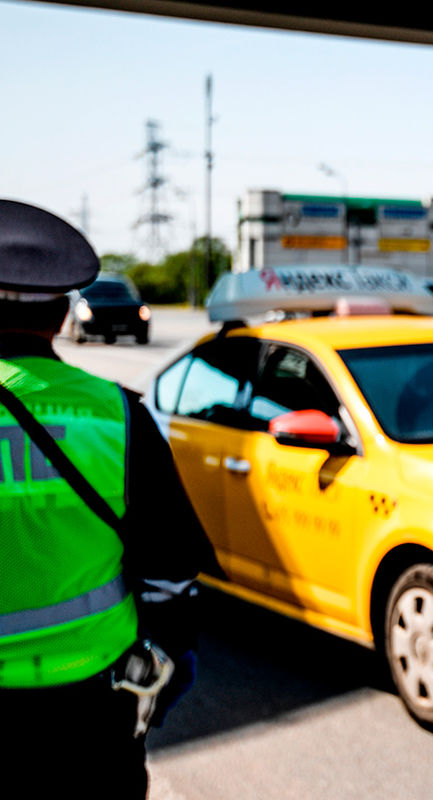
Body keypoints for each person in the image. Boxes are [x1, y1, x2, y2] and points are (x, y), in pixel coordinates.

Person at [0, 200, 217, 796]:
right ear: (63, 315)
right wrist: (160, 683)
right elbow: (172, 576)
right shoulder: (118, 415)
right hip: (91, 714)